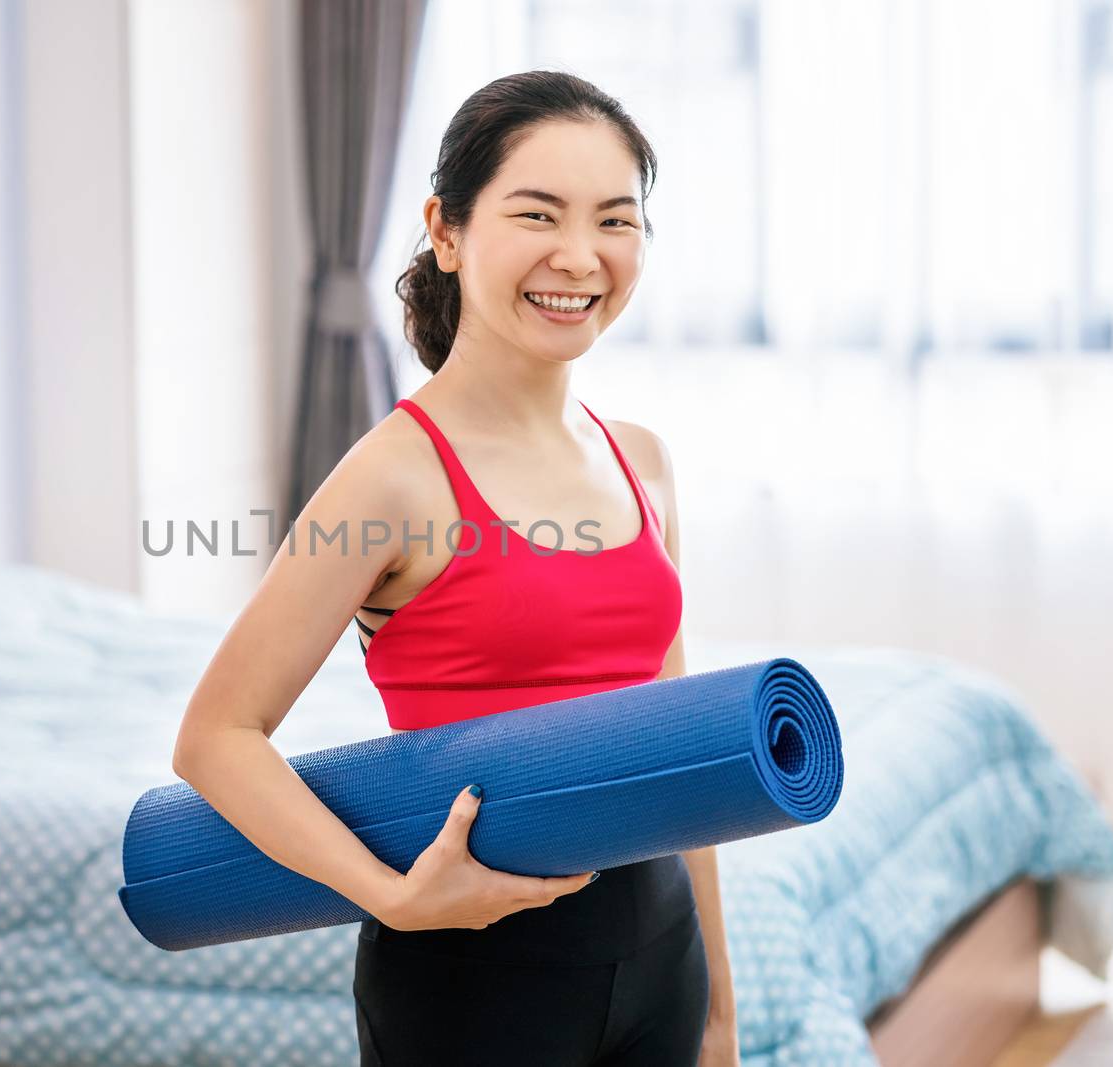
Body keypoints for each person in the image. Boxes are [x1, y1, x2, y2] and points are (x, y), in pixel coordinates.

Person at [171, 70, 739, 1066]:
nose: (579, 256)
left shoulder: (639, 456)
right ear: (447, 229)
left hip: (661, 958)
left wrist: (720, 1012)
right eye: (536, 214)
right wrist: (391, 893)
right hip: (475, 982)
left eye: (615, 219)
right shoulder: (392, 476)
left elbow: (675, 741)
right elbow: (215, 736)